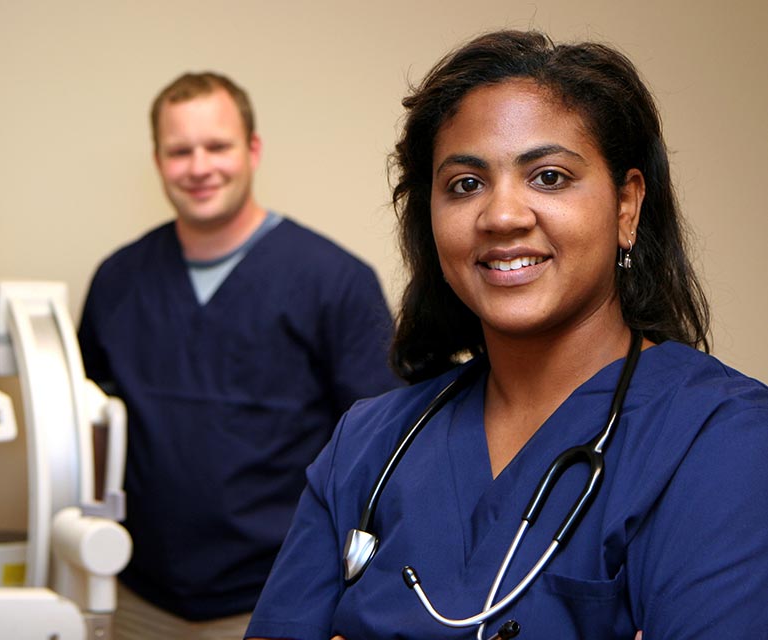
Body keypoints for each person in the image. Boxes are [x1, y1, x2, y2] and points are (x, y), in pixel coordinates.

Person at [245, 30, 768, 639]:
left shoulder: (721, 439)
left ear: (626, 206)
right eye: (465, 184)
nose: (501, 215)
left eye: (548, 176)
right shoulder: (368, 443)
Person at [77, 71, 401, 639]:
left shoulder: (334, 281)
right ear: (158, 161)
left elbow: (383, 453)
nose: (199, 167)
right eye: (180, 151)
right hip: (136, 595)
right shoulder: (119, 279)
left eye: (217, 146)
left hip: (279, 598)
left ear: (252, 150)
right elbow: (87, 422)